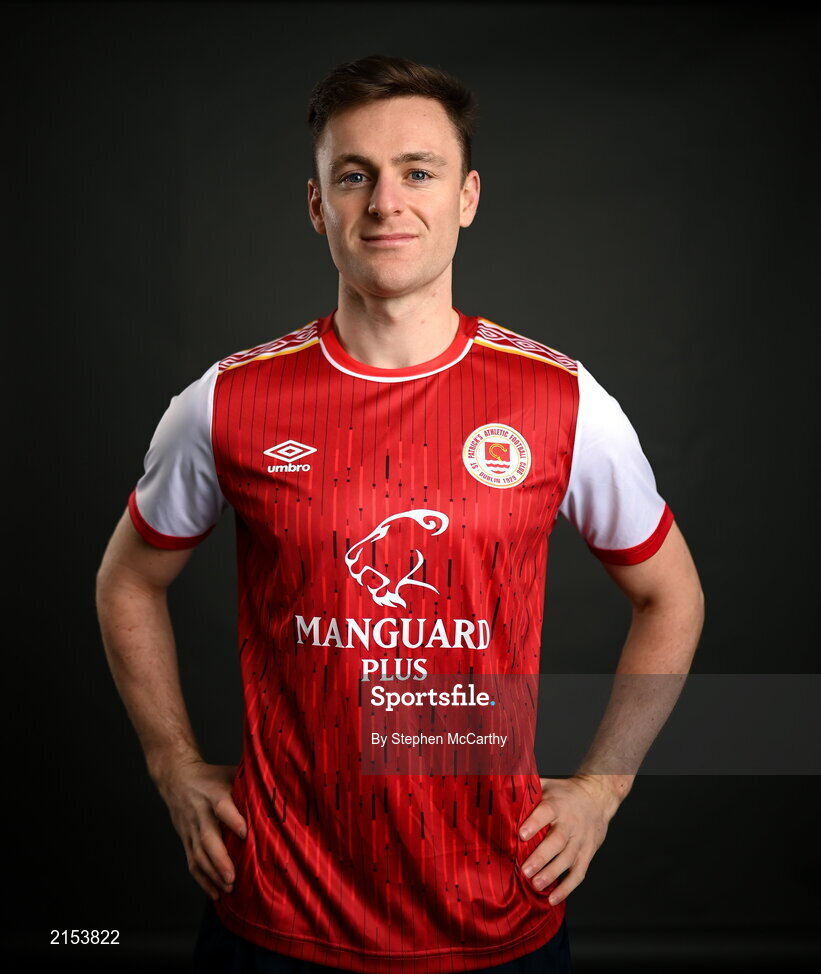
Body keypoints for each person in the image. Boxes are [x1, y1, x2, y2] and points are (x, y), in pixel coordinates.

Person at [96, 55, 704, 974]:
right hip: (274, 908)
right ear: (317, 206)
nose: (386, 202)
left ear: (465, 196)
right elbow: (127, 581)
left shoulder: (562, 401)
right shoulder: (225, 402)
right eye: (355, 175)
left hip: (497, 912)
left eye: (417, 171)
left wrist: (600, 790)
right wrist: (172, 767)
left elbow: (672, 596)